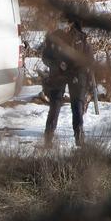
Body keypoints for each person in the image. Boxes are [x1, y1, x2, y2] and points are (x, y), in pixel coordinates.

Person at [42, 17, 91, 147]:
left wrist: (83, 72)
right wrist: (58, 64)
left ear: (72, 23)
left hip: (77, 75)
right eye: (61, 21)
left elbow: (88, 58)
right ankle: (48, 138)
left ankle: (79, 138)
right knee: (55, 105)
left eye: (66, 22)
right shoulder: (53, 37)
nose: (64, 25)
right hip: (58, 74)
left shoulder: (81, 38)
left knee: (77, 106)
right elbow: (45, 57)